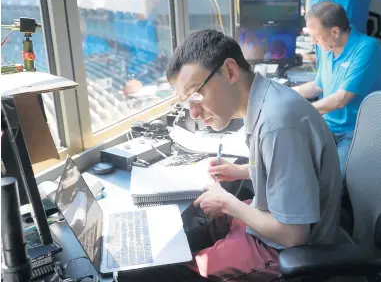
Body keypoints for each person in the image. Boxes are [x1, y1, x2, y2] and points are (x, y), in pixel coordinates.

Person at [127, 29, 342, 281]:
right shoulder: (265, 101)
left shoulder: (277, 124)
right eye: (186, 102)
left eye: (197, 94)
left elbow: (293, 235)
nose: (193, 113)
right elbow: (286, 168)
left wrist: (227, 203)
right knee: (186, 239)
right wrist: (241, 171)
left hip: (283, 250)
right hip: (268, 226)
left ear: (230, 71)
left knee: (167, 272)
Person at [294, 1, 381, 175]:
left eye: (316, 37)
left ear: (335, 32)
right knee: (294, 167)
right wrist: (286, 93)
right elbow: (317, 86)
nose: (314, 42)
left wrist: (299, 109)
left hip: (355, 133)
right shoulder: (327, 48)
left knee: (335, 182)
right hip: (327, 127)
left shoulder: (367, 48)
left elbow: (341, 99)